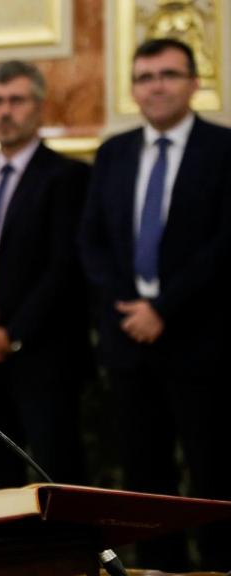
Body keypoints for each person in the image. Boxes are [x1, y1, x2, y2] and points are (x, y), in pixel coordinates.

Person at [79, 38, 231, 572]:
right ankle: (159, 570)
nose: (156, 86)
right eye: (144, 77)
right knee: (145, 481)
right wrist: (131, 306)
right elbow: (92, 241)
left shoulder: (223, 148)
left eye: (168, 74)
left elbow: (223, 244)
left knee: (212, 473)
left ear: (194, 82)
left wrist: (163, 307)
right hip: (128, 342)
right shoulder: (114, 152)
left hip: (199, 340)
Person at [0, 61, 90, 492]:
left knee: (57, 476)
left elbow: (62, 271)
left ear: (39, 107)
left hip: (41, 357)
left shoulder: (67, 177)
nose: (5, 111)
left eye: (17, 101)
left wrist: (11, 335)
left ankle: (69, 563)